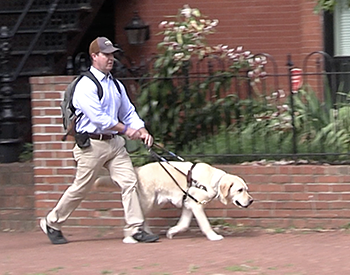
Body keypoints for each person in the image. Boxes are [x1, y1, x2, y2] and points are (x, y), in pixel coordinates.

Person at [40, 36, 159, 244]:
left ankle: (135, 228)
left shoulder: (115, 85)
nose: (111, 58)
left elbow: (128, 111)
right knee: (81, 187)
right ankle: (52, 221)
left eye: (112, 54)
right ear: (94, 56)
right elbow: (99, 118)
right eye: (106, 54)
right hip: (91, 145)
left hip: (114, 143)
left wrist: (141, 129)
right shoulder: (85, 85)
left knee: (129, 182)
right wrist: (127, 130)